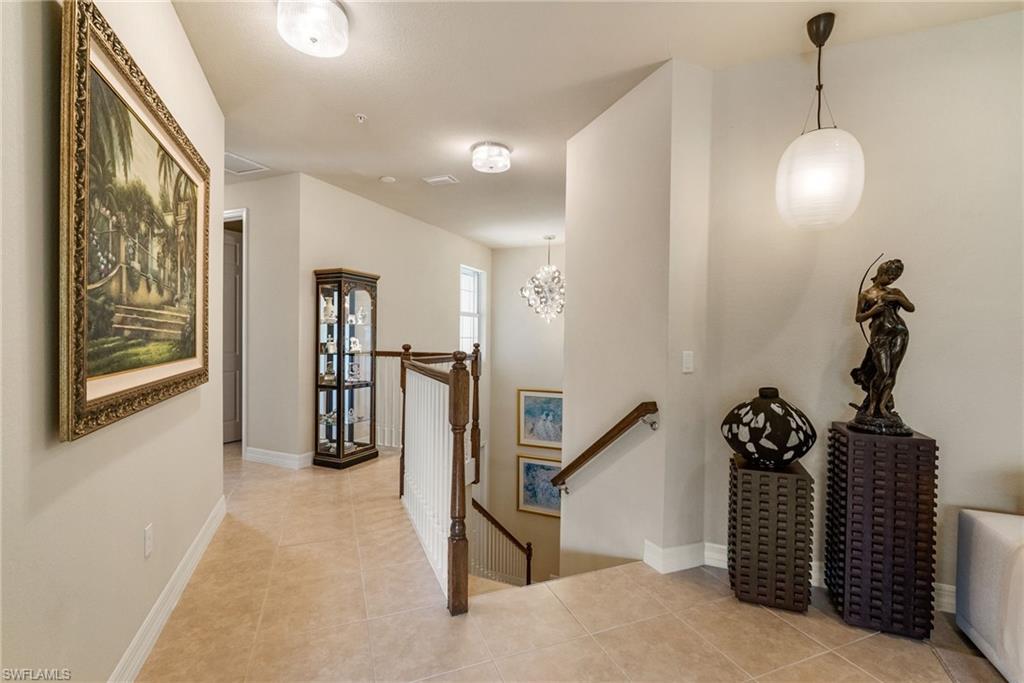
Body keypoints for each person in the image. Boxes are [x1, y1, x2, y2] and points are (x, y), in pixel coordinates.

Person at [850, 258, 915, 435]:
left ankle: (882, 407)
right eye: (890, 276)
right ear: (881, 273)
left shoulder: (895, 292)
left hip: (899, 333)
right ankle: (872, 405)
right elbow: (858, 317)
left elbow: (911, 308)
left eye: (895, 277)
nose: (892, 280)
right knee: (883, 371)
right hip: (880, 336)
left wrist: (896, 298)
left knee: (892, 371)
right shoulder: (866, 294)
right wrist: (873, 311)